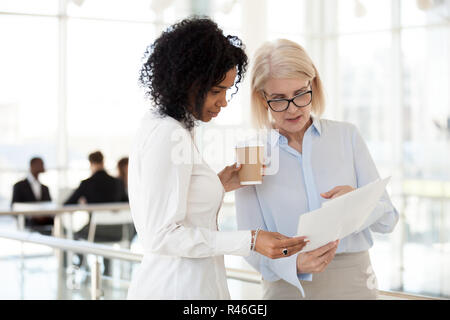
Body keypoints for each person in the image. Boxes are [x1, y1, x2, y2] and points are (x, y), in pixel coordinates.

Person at [127, 17, 308, 300]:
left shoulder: (173, 127)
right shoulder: (167, 134)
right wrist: (250, 240)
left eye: (227, 90)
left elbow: (176, 203)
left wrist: (219, 183)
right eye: (216, 91)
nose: (224, 101)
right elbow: (160, 236)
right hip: (174, 288)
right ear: (186, 83)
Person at [235, 39, 399, 300]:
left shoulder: (347, 136)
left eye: (301, 93)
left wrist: (356, 203)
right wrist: (293, 264)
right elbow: (249, 242)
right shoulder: (251, 153)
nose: (294, 108)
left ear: (313, 85)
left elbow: (388, 218)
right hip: (287, 287)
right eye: (279, 99)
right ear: (262, 99)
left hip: (353, 282)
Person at [64, 150, 127, 275]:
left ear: (90, 163)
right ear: (103, 162)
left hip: (95, 231)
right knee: (105, 239)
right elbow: (126, 204)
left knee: (75, 236)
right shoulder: (118, 182)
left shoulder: (87, 183)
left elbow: (68, 204)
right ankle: (107, 271)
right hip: (118, 232)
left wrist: (83, 203)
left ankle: (81, 265)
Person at [11, 157, 54, 234]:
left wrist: (44, 216)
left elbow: (50, 205)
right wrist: (33, 216)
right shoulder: (19, 186)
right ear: (32, 166)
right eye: (41, 164)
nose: (43, 166)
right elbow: (14, 207)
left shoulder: (45, 188)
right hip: (27, 226)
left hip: (47, 225)